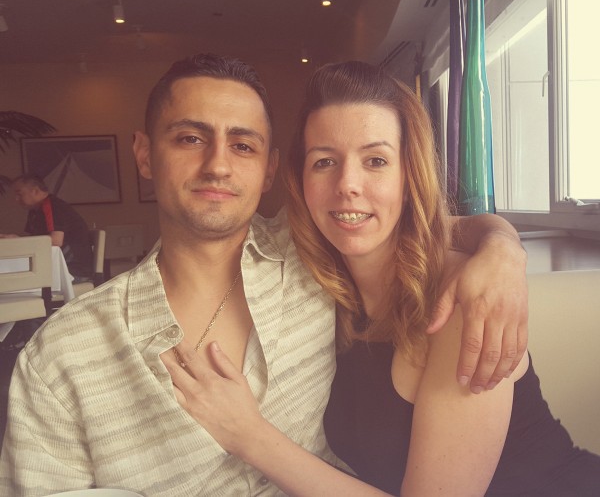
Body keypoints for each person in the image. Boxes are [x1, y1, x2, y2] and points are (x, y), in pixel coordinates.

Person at [1, 54, 527, 496]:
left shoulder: (312, 262)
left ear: (270, 168)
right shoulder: (61, 357)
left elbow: (416, 226)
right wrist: (501, 243)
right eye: (190, 138)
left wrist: (502, 247)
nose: (218, 165)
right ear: (144, 154)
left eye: (243, 145)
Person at [163, 61, 600, 496]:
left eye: (375, 161)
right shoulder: (316, 280)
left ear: (409, 177)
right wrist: (501, 242)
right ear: (301, 179)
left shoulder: (458, 303)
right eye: (324, 162)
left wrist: (248, 435)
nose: (347, 184)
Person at [3, 174, 93, 282]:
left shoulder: (52, 206)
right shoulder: (34, 211)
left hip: (72, 272)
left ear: (35, 191)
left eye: (19, 194)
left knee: (13, 279)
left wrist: (18, 240)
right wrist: (14, 239)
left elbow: (56, 241)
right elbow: (34, 238)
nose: (16, 199)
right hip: (53, 267)